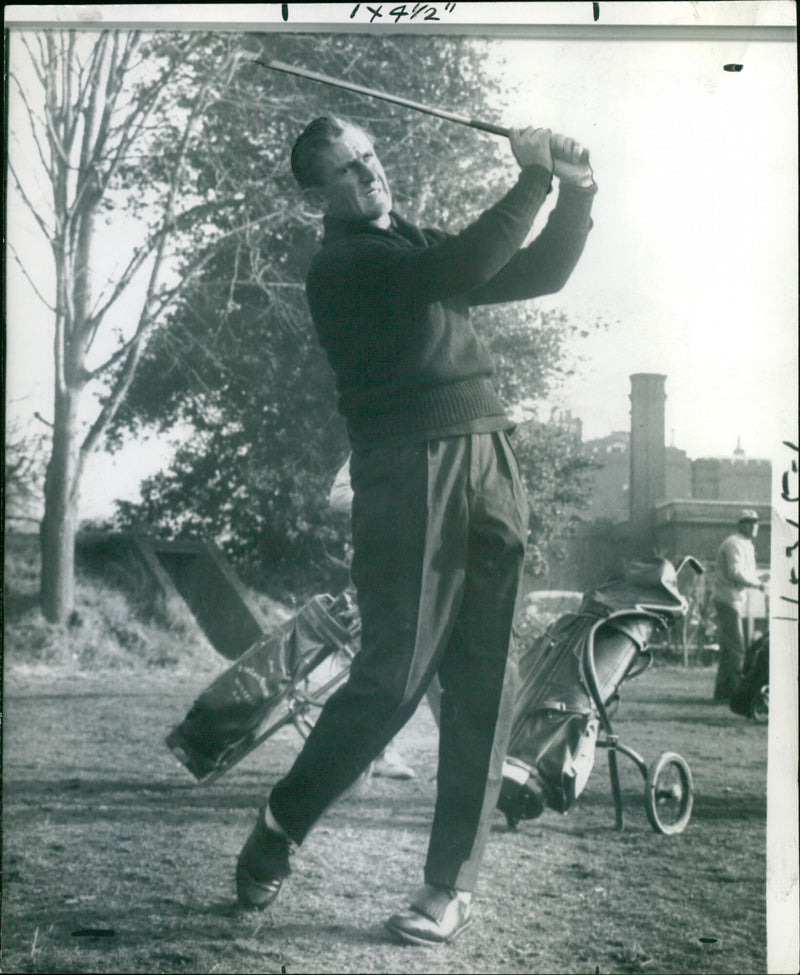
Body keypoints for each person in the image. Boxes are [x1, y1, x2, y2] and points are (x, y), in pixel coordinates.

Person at [235, 114, 596, 944]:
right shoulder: (344, 264)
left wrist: (576, 195)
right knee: (392, 678)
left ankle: (448, 886)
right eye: (347, 174)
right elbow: (469, 260)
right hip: (407, 471)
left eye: (370, 158)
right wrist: (533, 177)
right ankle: (282, 823)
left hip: (490, 458)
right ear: (316, 201)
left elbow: (533, 273)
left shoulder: (405, 240)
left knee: (483, 682)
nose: (370, 178)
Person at [712, 509, 766, 701]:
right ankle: (733, 693)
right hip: (728, 599)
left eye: (756, 522)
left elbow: (746, 573)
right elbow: (734, 572)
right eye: (748, 522)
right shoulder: (734, 543)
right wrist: (757, 583)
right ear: (740, 525)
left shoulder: (746, 545)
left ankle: (722, 692)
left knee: (730, 648)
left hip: (735, 600)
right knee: (737, 648)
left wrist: (762, 578)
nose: (753, 526)